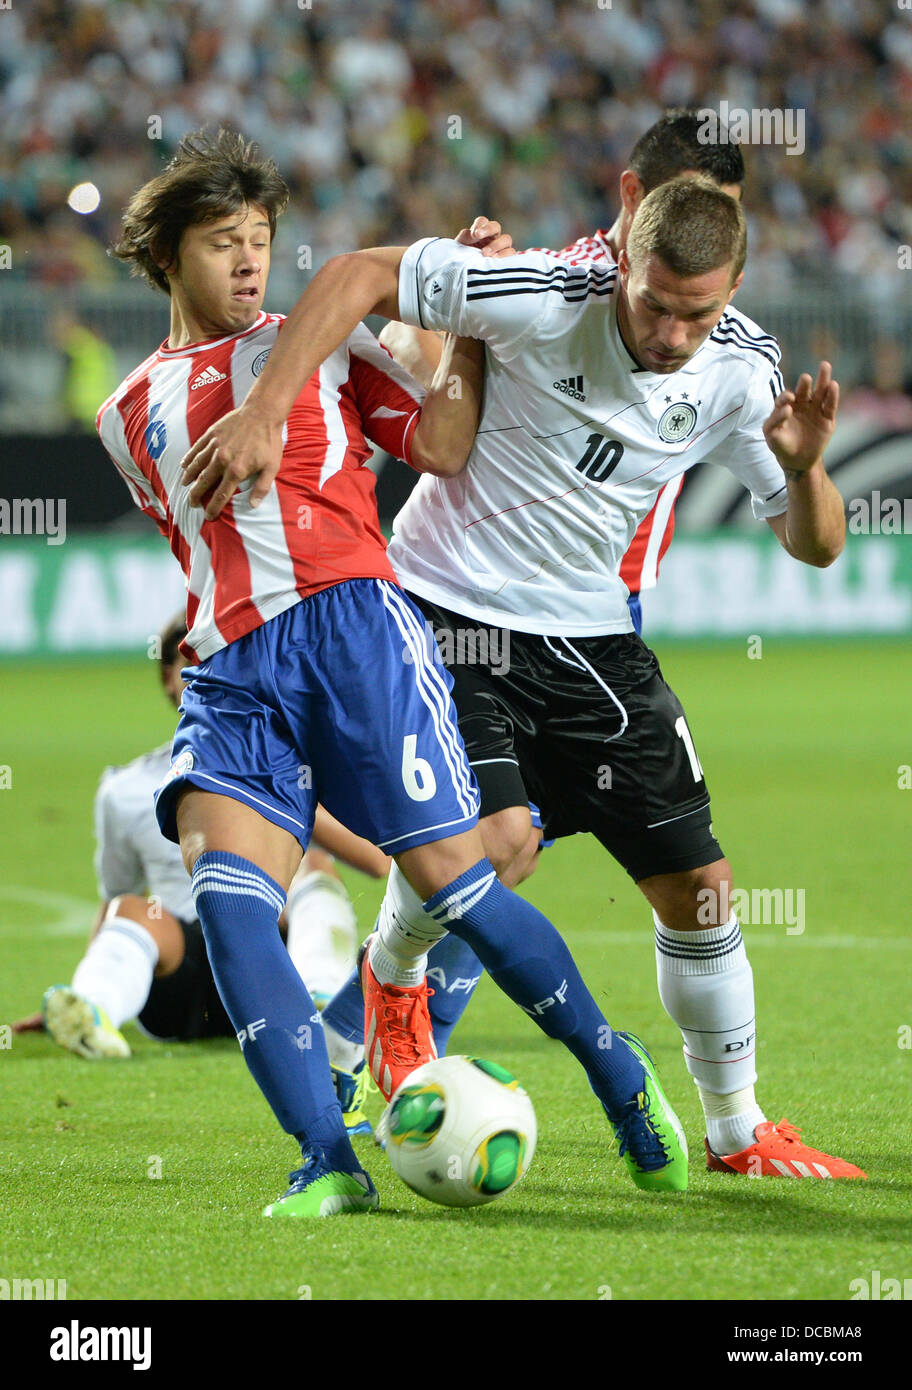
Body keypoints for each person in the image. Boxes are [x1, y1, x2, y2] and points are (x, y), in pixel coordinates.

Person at [182, 173, 866, 1182]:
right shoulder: (542, 291)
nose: (674, 335)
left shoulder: (740, 371)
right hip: (448, 612)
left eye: (700, 314)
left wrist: (806, 468)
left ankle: (738, 1131)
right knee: (496, 842)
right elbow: (355, 274)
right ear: (623, 256)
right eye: (657, 306)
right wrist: (269, 409)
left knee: (703, 890)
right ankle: (397, 984)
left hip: (593, 639)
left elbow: (819, 548)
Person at [95, 128, 691, 1217]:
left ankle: (617, 1074)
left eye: (260, 241)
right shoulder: (123, 413)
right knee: (233, 912)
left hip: (359, 634)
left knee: (458, 886)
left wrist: (456, 335)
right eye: (223, 242)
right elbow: (203, 545)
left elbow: (444, 443)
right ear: (168, 255)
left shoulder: (321, 343)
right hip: (231, 672)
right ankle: (327, 1159)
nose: (247, 262)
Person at [13, 615, 387, 1131]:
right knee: (133, 908)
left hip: (270, 954)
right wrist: (90, 976)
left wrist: (295, 792)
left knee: (314, 869)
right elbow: (117, 901)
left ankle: (321, 1006)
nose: (199, 664)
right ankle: (92, 1012)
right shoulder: (124, 788)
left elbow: (376, 859)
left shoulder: (285, 767)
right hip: (182, 975)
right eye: (184, 657)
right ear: (169, 679)